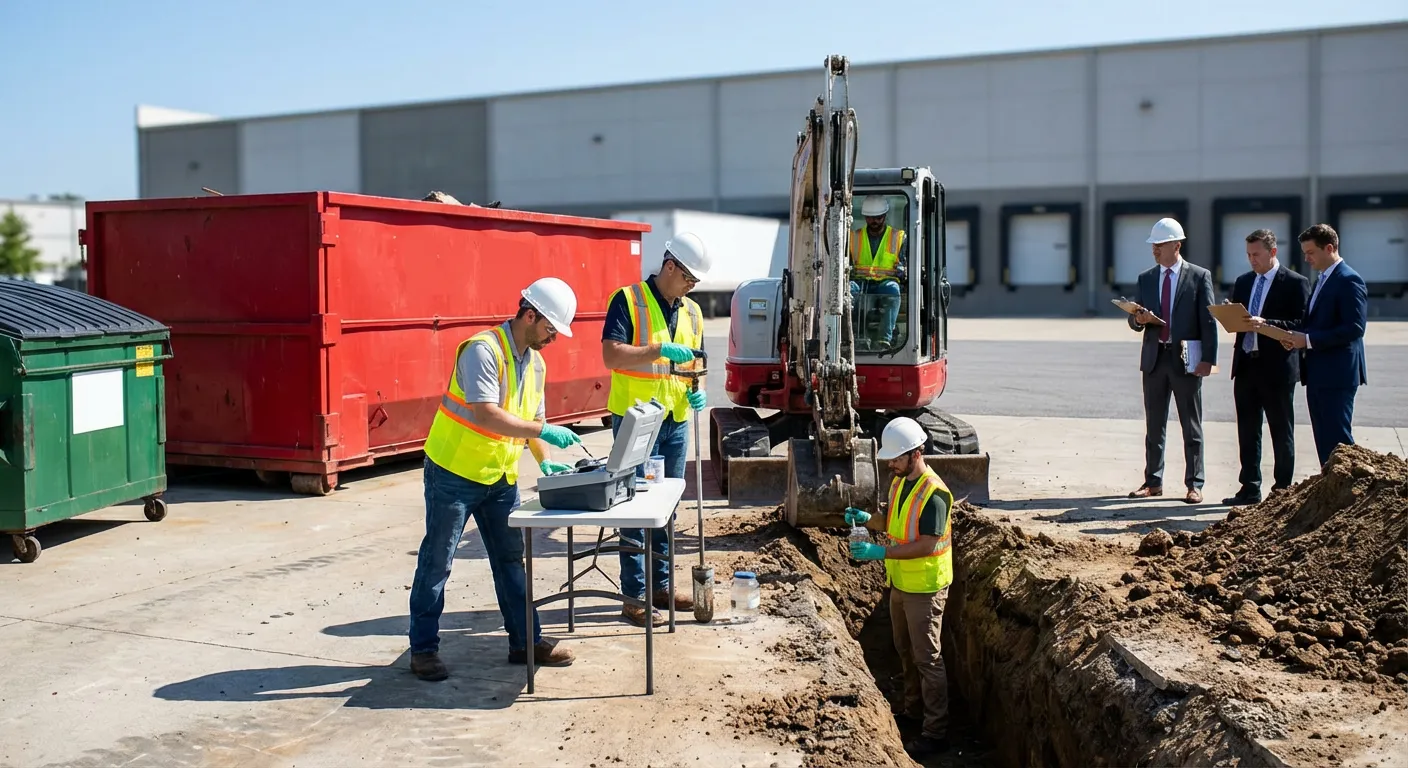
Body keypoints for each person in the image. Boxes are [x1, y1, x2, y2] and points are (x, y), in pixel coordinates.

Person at [408, 277, 584, 681]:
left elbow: (532, 421)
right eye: (550, 328)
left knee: (511, 561)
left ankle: (526, 641)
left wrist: (546, 461)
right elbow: (485, 412)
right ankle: (423, 650)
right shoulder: (482, 351)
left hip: (500, 477)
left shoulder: (536, 363)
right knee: (437, 561)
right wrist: (540, 434)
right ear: (529, 314)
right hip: (454, 472)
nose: (554, 337)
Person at [601, 233, 711, 627]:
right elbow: (610, 355)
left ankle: (661, 587)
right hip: (636, 422)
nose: (690, 287)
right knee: (633, 507)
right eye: (688, 279)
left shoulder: (693, 313)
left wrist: (698, 389)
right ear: (670, 267)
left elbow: (696, 364)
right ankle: (635, 595)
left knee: (666, 506)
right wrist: (657, 350)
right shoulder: (628, 300)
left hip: (676, 421)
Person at [844, 417, 953, 760]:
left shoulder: (934, 494)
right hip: (900, 583)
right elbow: (891, 520)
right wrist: (866, 519)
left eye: (895, 458)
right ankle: (912, 713)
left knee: (927, 659)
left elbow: (925, 544)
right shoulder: (899, 482)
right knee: (904, 650)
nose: (890, 463)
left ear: (915, 454)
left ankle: (936, 732)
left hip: (925, 587)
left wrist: (881, 552)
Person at [1127, 217, 1218, 504]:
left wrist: (1208, 359)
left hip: (1186, 360)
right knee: (1154, 425)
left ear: (1176, 245)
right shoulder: (1146, 278)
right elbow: (1135, 320)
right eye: (1153, 245)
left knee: (1191, 425)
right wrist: (1138, 319)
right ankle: (1153, 481)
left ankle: (1194, 483)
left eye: (1160, 244)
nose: (1155, 249)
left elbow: (1208, 321)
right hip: (1155, 360)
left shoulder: (1199, 276)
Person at [1224, 229, 1310, 505]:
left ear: (1273, 252)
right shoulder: (1244, 282)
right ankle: (1249, 488)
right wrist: (1229, 315)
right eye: (1248, 255)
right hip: (1247, 364)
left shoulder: (1295, 283)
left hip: (1277, 368)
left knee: (1280, 430)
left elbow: (1301, 324)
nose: (1252, 260)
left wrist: (1267, 324)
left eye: (1256, 255)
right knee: (1248, 430)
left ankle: (1281, 491)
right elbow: (1238, 323)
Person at [1278, 223, 1368, 467]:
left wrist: (1307, 340)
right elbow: (1316, 323)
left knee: (1338, 441)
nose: (1306, 258)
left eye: (1310, 252)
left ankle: (1348, 496)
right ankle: (1331, 494)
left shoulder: (1349, 280)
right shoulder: (1321, 280)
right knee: (1324, 441)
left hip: (1337, 375)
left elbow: (1354, 328)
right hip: (1318, 373)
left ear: (1329, 248)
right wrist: (1296, 338)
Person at [850, 195, 907, 346]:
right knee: (847, 292)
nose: (873, 221)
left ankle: (884, 339)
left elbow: (904, 262)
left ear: (884, 216)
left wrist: (903, 270)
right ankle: (852, 335)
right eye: (869, 218)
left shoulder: (898, 237)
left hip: (885, 283)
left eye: (877, 218)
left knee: (893, 291)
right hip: (860, 283)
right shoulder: (854, 237)